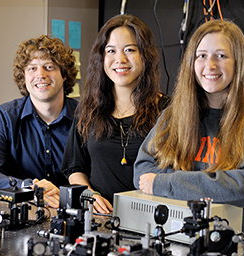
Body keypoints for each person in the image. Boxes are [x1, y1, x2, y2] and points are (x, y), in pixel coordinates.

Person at [134, 20, 244, 225]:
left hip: (236, 240)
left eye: (221, 56)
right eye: (201, 56)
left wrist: (164, 183)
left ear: (239, 63)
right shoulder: (173, 115)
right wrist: (216, 185)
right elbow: (142, 170)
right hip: (178, 231)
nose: (210, 65)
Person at [61, 14, 170, 213]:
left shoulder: (167, 110)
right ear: (101, 57)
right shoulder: (88, 108)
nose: (120, 59)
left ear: (145, 55)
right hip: (100, 219)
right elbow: (74, 167)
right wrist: (89, 194)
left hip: (151, 220)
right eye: (111, 51)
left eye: (129, 50)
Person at [0, 35, 78, 208]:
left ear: (64, 75)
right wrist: (27, 188)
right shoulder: (4, 117)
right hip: (21, 214)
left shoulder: (86, 117)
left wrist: (64, 193)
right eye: (32, 69)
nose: (40, 75)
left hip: (74, 214)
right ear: (24, 76)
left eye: (49, 67)